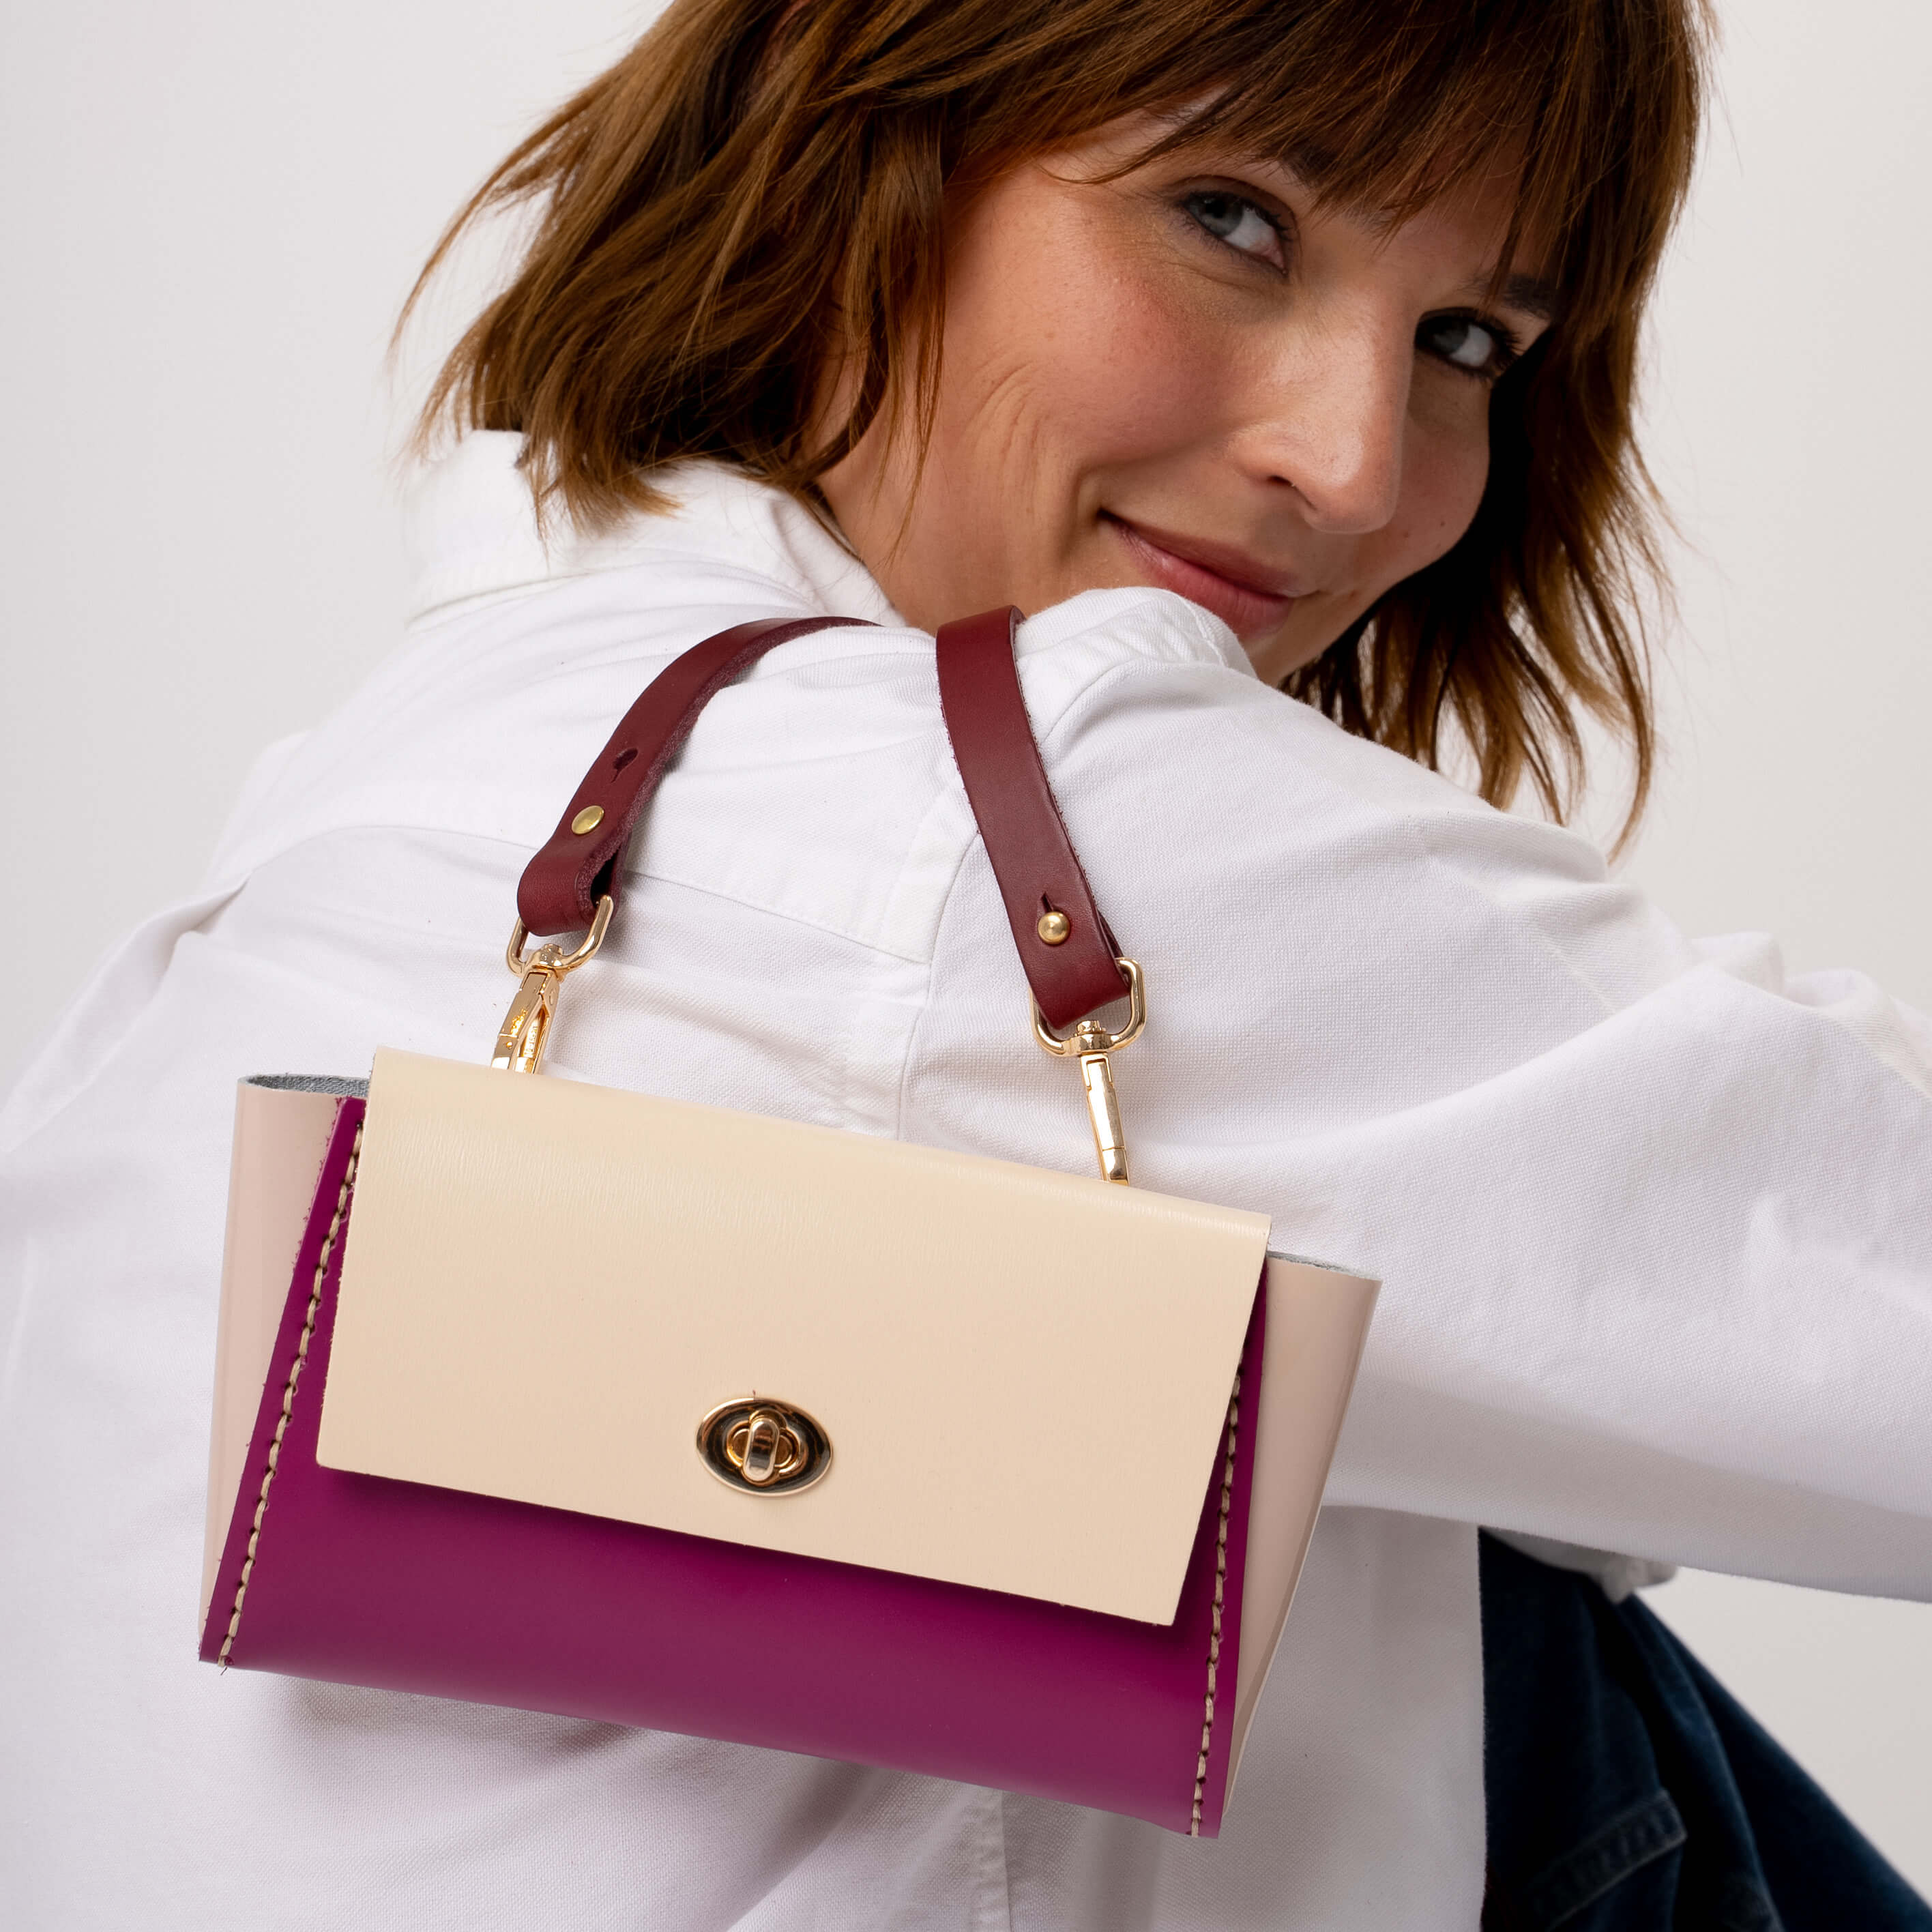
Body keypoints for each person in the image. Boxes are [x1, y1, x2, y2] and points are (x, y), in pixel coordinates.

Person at [1, 0, 1928, 1924]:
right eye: (1232, 220)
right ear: (855, 149)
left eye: (1466, 342)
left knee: (1436, 1539)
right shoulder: (978, 828)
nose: (1354, 466)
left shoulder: (400, 758)